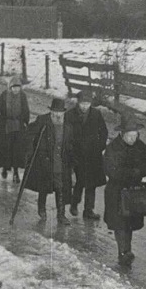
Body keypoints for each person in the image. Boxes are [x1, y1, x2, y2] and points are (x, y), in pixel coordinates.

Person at [103, 113, 146, 266]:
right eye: (130, 136)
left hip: (134, 191)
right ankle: (123, 252)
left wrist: (140, 171)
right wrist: (132, 173)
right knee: (119, 223)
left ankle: (127, 250)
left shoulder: (140, 146)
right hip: (116, 191)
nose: (133, 139)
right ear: (122, 133)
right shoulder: (113, 148)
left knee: (130, 222)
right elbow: (110, 170)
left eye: (135, 135)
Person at [23, 98, 71, 225]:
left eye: (60, 112)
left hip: (60, 161)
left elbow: (71, 143)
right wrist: (30, 150)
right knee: (44, 186)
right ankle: (42, 209)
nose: (57, 114)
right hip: (45, 160)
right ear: (51, 111)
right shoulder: (42, 120)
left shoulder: (67, 125)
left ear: (63, 112)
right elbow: (29, 134)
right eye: (55, 111)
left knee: (60, 187)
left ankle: (61, 215)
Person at [64, 90, 107, 219]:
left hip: (93, 154)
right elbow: (66, 134)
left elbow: (103, 131)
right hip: (77, 154)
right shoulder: (70, 115)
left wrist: (100, 146)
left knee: (92, 183)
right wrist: (70, 150)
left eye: (87, 103)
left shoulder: (96, 114)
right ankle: (74, 203)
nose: (84, 106)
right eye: (82, 103)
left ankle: (88, 210)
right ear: (78, 102)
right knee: (80, 181)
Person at [0, 75, 30, 183]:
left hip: (18, 126)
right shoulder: (4, 95)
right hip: (6, 126)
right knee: (6, 149)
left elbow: (26, 110)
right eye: (14, 87)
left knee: (16, 150)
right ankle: (4, 168)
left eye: (18, 87)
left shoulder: (22, 96)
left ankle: (16, 172)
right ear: (10, 87)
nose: (16, 90)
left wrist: (25, 122)